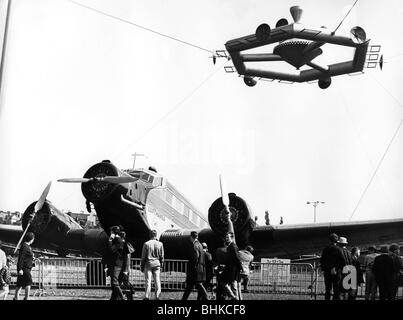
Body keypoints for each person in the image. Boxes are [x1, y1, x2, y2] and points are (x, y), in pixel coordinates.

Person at [182, 231, 208, 300]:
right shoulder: (199, 245)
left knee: (198, 285)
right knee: (190, 286)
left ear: (191, 237)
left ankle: (206, 298)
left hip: (194, 269)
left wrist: (193, 267)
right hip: (199, 268)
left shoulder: (195, 245)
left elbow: (195, 257)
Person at [320, 233, 345, 300]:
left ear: (329, 240)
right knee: (336, 289)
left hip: (327, 271)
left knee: (328, 289)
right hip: (336, 272)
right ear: (337, 241)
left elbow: (322, 260)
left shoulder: (325, 249)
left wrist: (325, 268)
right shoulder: (339, 249)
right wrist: (336, 268)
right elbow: (343, 261)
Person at [140, 229, 164, 300]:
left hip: (148, 264)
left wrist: (142, 266)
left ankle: (147, 296)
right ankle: (157, 296)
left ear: (149, 235)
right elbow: (162, 256)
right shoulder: (160, 244)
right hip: (157, 264)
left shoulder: (146, 244)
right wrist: (161, 264)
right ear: (156, 235)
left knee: (148, 281)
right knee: (157, 280)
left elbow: (143, 257)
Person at [108, 226, 129, 300]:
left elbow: (111, 250)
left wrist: (110, 240)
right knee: (114, 284)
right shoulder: (118, 240)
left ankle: (122, 297)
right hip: (116, 264)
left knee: (114, 283)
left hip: (116, 264)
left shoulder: (118, 241)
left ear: (113, 232)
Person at [14, 232, 35, 300]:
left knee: (19, 284)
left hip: (26, 268)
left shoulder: (27, 246)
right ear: (31, 239)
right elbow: (21, 258)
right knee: (28, 282)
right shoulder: (25, 246)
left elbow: (26, 257)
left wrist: (32, 258)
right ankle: (27, 298)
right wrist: (19, 269)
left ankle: (16, 298)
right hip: (24, 268)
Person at [222, 231, 242, 300]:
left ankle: (234, 297)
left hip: (233, 269)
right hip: (231, 268)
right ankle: (234, 297)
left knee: (231, 285)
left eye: (228, 237)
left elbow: (237, 258)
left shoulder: (233, 246)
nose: (226, 238)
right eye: (226, 237)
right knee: (232, 285)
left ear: (232, 238)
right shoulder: (230, 246)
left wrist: (240, 268)